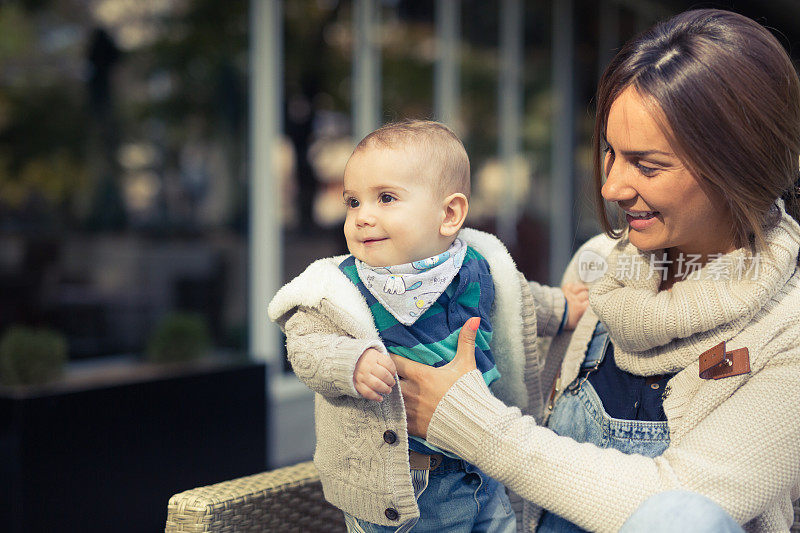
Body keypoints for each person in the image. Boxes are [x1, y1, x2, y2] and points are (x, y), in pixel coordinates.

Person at [391, 9, 800, 533]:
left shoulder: (787, 331)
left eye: (647, 166)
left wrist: (475, 427)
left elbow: (674, 503)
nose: (611, 188)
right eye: (611, 153)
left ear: (739, 165)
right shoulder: (599, 264)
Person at [268, 119, 589, 532]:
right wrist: (351, 361)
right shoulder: (339, 287)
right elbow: (306, 347)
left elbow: (520, 304)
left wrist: (563, 307)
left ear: (449, 214)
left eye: (385, 198)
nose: (362, 216)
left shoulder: (477, 266)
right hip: (402, 489)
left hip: (480, 465)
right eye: (353, 202)